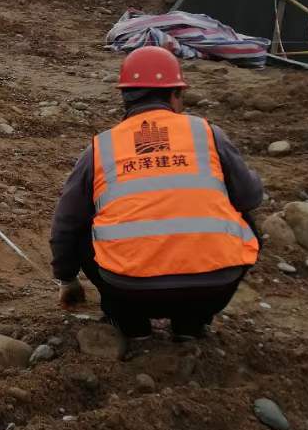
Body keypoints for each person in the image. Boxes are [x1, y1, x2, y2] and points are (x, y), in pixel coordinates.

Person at [50, 46, 263, 344]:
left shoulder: (101, 147)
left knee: (84, 224)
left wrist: (67, 278)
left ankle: (130, 324)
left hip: (130, 289)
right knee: (247, 223)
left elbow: (65, 225)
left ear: (125, 97)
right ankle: (191, 324)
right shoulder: (207, 133)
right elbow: (250, 197)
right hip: (213, 286)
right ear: (175, 95)